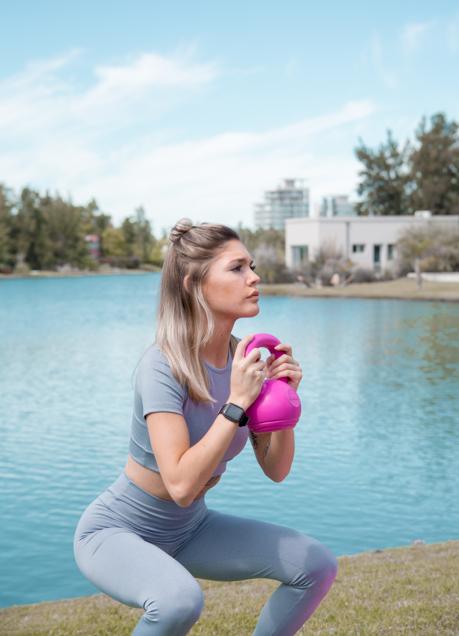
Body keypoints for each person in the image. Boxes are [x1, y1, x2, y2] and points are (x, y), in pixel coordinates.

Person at [73, 218, 338, 635]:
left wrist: (283, 398)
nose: (254, 277)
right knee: (178, 601)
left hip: (192, 528)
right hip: (118, 530)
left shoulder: (246, 361)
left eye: (251, 265)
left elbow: (277, 470)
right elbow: (179, 485)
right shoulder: (162, 366)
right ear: (193, 283)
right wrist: (236, 403)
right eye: (237, 268)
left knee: (316, 565)